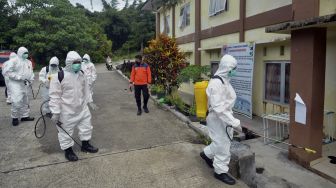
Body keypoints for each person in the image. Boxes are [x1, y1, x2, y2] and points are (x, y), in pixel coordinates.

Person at [200, 54, 242, 185]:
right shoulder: (216, 84)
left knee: (220, 142)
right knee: (223, 144)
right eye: (233, 68)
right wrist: (235, 123)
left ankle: (206, 154)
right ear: (227, 67)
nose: (235, 70)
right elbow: (219, 108)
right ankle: (220, 171)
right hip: (217, 117)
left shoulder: (225, 81)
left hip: (224, 117)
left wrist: (231, 120)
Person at [49, 51, 98, 162]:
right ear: (69, 63)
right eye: (76, 62)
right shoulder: (58, 76)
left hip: (81, 108)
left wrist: (89, 101)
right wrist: (55, 112)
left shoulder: (81, 74)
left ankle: (86, 144)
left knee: (86, 127)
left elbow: (86, 89)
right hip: (66, 111)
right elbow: (54, 96)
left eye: (79, 62)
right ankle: (68, 150)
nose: (78, 64)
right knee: (65, 131)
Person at [5, 47, 35, 126]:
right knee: (16, 101)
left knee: (25, 100)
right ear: (20, 53)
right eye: (24, 53)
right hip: (15, 84)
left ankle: (24, 116)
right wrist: (18, 77)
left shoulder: (28, 62)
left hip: (25, 84)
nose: (26, 54)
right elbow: (7, 72)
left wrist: (31, 79)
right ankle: (14, 117)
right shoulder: (14, 61)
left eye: (27, 53)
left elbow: (31, 72)